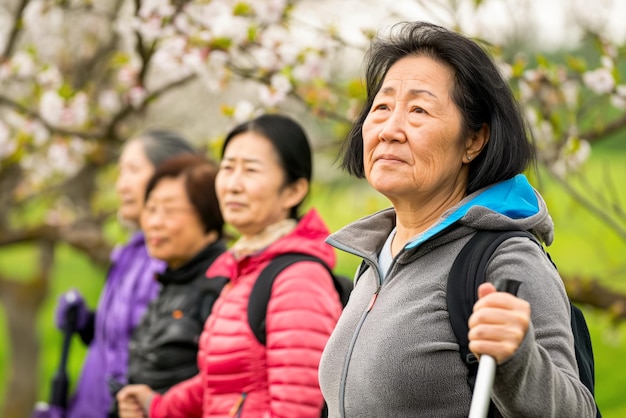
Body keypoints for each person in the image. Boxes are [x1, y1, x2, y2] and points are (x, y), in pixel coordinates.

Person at [317, 21, 597, 417]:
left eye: (418, 109)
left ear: (473, 140)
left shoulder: (506, 259)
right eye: (381, 107)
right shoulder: (374, 260)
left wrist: (519, 360)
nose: (389, 130)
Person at [117, 113, 343, 418]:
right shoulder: (245, 269)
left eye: (250, 170)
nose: (233, 185)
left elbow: (296, 408)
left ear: (294, 191)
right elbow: (220, 380)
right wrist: (156, 406)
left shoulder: (298, 280)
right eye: (227, 168)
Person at [53, 130, 197, 418]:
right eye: (120, 172)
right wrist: (87, 323)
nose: (121, 185)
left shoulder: (169, 260)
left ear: (168, 176)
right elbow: (123, 334)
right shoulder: (131, 252)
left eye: (133, 170)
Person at [123, 154, 226, 393]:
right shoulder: (171, 280)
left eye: (169, 211)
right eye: (151, 209)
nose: (154, 222)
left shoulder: (220, 288)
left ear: (209, 218)